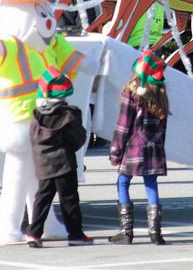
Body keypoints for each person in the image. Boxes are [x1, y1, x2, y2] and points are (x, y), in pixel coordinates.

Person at [0, 0, 86, 246]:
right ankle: (7, 224)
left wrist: (87, 64)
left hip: (41, 120)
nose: (47, 19)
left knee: (38, 176)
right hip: (17, 118)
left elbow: (67, 54)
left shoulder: (46, 42)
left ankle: (43, 223)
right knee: (22, 172)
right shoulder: (13, 43)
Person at [108, 48, 170, 245]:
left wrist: (115, 152)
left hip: (135, 146)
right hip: (155, 146)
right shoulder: (161, 92)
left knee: (123, 182)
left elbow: (123, 125)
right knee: (151, 184)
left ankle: (126, 232)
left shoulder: (132, 92)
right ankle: (155, 233)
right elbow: (164, 125)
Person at [27, 66, 93, 247]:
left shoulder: (36, 116)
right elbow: (79, 138)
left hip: (43, 163)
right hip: (64, 162)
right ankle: (75, 234)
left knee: (42, 198)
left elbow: (32, 138)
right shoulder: (70, 114)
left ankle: (34, 234)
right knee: (69, 198)